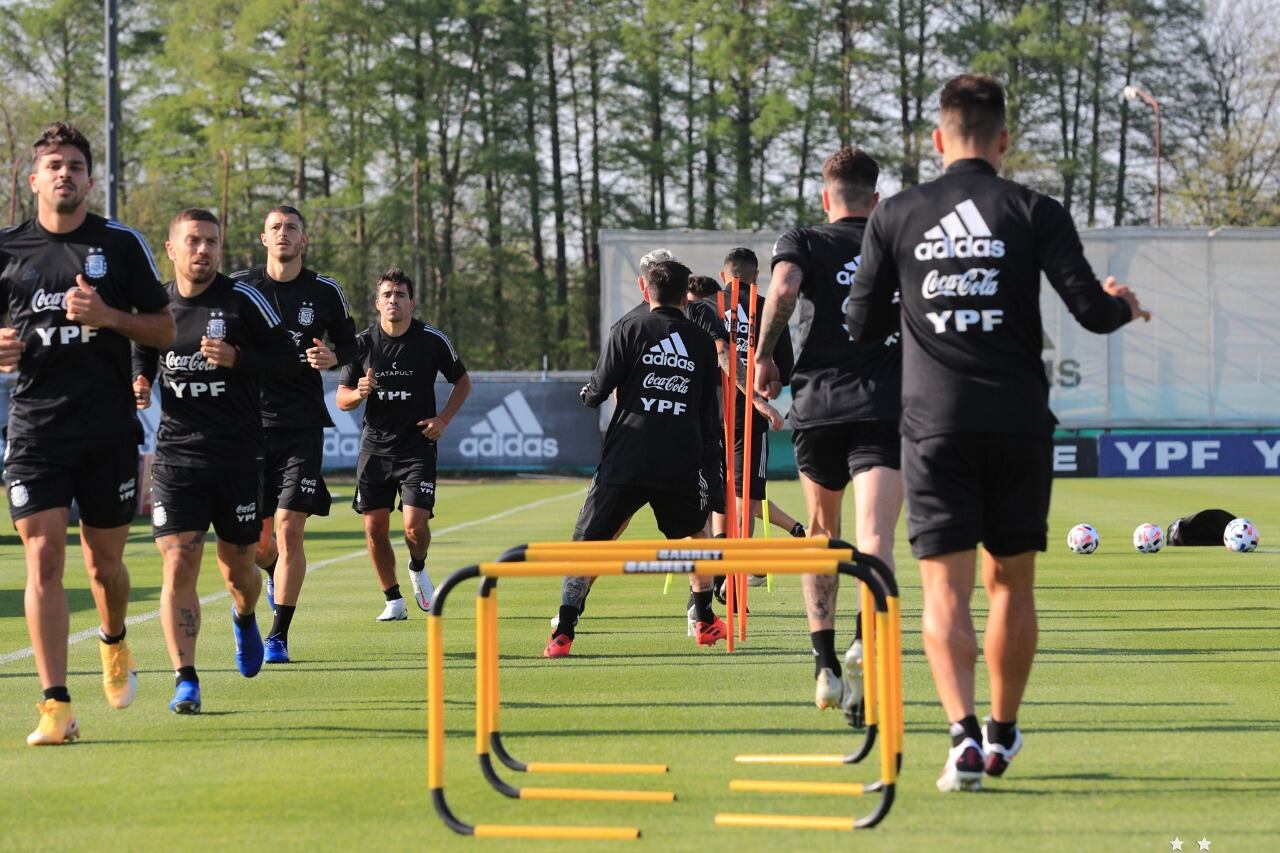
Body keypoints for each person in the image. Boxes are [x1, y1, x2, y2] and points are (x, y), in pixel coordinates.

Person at [845, 74, 1150, 791]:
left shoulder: (897, 214)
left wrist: (922, 312)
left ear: (937, 139)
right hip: (1017, 420)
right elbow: (1091, 314)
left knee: (943, 589)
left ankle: (962, 738)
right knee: (1011, 582)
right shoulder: (1034, 209)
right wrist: (1123, 304)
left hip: (933, 425)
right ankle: (1004, 731)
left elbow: (858, 322)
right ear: (1004, 140)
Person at [0, 122, 175, 745]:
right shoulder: (8, 249)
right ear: (33, 180)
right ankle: (55, 705)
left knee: (104, 568)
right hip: (35, 430)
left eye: (75, 165)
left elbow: (165, 329)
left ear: (90, 178)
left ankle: (114, 639)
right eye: (53, 166)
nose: (64, 174)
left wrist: (108, 317)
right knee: (44, 557)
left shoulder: (119, 245)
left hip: (107, 431)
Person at [754, 147, 903, 726]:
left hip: (818, 405)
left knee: (820, 532)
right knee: (876, 536)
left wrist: (765, 357)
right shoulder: (897, 241)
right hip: (884, 406)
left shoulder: (804, 238)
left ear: (825, 197)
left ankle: (825, 665)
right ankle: (866, 640)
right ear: (877, 199)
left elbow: (785, 289)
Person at [132, 209, 298, 713]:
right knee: (178, 561)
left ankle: (245, 617)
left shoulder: (244, 300)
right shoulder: (154, 303)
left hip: (238, 458)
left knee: (238, 571)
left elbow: (289, 361)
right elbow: (140, 349)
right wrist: (139, 379)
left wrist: (238, 359)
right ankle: (186, 677)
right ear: (172, 248)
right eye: (193, 241)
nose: (203, 250)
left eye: (212, 242)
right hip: (178, 459)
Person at [545, 260, 724, 658]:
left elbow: (597, 390)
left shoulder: (628, 329)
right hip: (680, 458)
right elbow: (709, 415)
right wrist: (711, 468)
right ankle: (706, 620)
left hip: (627, 456)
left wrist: (590, 394)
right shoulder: (701, 342)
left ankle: (564, 631)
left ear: (646, 290)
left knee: (587, 544)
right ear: (685, 297)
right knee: (696, 537)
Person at [232, 206, 357, 663]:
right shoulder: (240, 288)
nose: (283, 234)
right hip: (248, 425)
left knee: (289, 529)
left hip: (302, 425)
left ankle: (278, 635)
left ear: (305, 239)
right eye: (275, 228)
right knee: (259, 545)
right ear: (263, 238)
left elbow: (351, 344)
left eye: (292, 228)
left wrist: (334, 358)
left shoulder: (325, 291)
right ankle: (271, 574)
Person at [336, 267, 470, 621]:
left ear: (412, 301)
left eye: (400, 295)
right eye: (387, 295)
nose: (393, 300)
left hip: (417, 448)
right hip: (375, 449)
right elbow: (341, 398)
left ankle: (418, 566)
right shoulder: (362, 343)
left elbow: (463, 381)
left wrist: (443, 420)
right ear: (377, 303)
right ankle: (393, 599)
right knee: (374, 527)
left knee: (414, 525)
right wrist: (358, 393)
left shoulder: (431, 339)